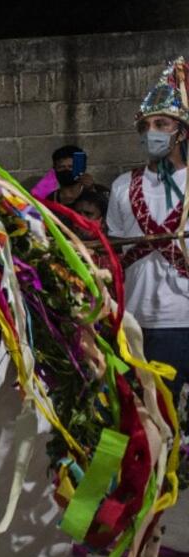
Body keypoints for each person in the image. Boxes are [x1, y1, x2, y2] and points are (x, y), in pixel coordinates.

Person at [107, 57, 189, 400]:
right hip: (136, 322)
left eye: (161, 124)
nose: (151, 132)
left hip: (183, 318)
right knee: (144, 423)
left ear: (181, 132)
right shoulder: (122, 186)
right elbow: (111, 251)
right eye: (145, 126)